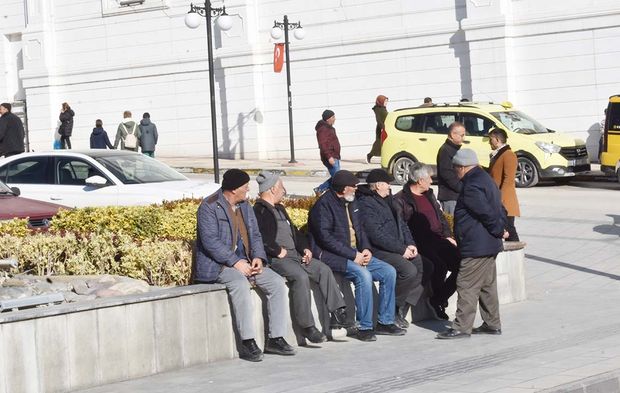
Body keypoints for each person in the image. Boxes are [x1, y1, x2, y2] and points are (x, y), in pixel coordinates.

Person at [194, 169, 295, 361]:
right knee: (239, 284)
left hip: (247, 262)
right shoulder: (209, 206)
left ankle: (276, 338)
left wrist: (258, 257)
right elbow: (210, 241)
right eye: (245, 186)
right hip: (219, 265)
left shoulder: (244, 206)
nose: (248, 188)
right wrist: (235, 262)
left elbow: (255, 235)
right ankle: (248, 342)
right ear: (233, 190)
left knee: (275, 282)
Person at [308, 170, 406, 342]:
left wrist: (366, 249)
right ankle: (365, 326)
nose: (356, 189)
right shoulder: (323, 206)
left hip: (356, 253)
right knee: (364, 275)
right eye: (353, 187)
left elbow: (360, 229)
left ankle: (385, 321)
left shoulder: (352, 203)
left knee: (388, 271)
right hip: (333, 256)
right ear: (344, 189)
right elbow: (326, 239)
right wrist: (353, 255)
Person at [253, 171, 350, 343]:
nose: (284, 190)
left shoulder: (280, 208)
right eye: (282, 187)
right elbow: (259, 237)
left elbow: (295, 233)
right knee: (300, 277)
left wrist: (305, 248)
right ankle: (307, 327)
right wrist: (276, 251)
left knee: (322, 269)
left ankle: (338, 312)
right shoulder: (259, 210)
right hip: (278, 259)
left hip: (295, 255)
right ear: (273, 189)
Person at [437, 149, 507, 339]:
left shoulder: (472, 186)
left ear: (462, 167)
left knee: (466, 283)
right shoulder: (485, 179)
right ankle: (492, 324)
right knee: (486, 285)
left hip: (477, 245)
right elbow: (501, 208)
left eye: (455, 168)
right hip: (488, 244)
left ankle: (461, 327)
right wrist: (500, 230)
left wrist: (498, 230)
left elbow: (486, 213)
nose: (454, 172)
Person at [357, 168, 424, 328]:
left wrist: (410, 244)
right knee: (408, 270)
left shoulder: (389, 200)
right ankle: (392, 310)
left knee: (421, 264)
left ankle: (399, 306)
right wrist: (401, 250)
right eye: (387, 183)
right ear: (378, 185)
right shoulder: (367, 204)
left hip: (397, 246)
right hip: (379, 250)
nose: (389, 186)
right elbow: (377, 235)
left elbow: (402, 225)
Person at [394, 162, 460, 320]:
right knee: (439, 266)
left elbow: (441, 217)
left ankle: (438, 298)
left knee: (464, 264)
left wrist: (448, 235)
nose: (431, 181)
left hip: (438, 238)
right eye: (429, 178)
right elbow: (401, 227)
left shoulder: (429, 194)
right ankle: (436, 302)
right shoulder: (401, 199)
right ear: (419, 181)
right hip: (420, 243)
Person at [488, 128, 520, 241]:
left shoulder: (508, 154)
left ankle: (517, 255)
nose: (489, 142)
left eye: (490, 139)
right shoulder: (498, 154)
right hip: (498, 200)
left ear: (497, 139)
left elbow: (508, 180)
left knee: (509, 229)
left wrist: (499, 199)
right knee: (505, 230)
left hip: (505, 202)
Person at [436, 121, 466, 214]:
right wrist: (462, 188)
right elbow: (447, 174)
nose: (464, 138)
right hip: (450, 197)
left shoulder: (453, 149)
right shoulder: (445, 151)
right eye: (462, 135)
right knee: (451, 225)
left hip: (456, 195)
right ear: (453, 135)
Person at [314, 110, 341, 195]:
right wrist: (329, 157)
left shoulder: (328, 128)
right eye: (333, 117)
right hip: (330, 157)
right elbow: (323, 144)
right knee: (337, 178)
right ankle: (337, 194)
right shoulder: (323, 129)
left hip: (334, 156)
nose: (334, 119)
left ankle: (320, 189)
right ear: (328, 119)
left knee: (336, 177)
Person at [366, 95, 388, 164]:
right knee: (378, 143)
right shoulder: (378, 109)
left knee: (385, 143)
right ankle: (370, 155)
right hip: (381, 128)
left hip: (385, 128)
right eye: (385, 101)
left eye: (386, 101)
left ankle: (385, 158)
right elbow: (378, 120)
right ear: (381, 101)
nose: (386, 103)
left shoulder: (383, 108)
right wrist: (382, 128)